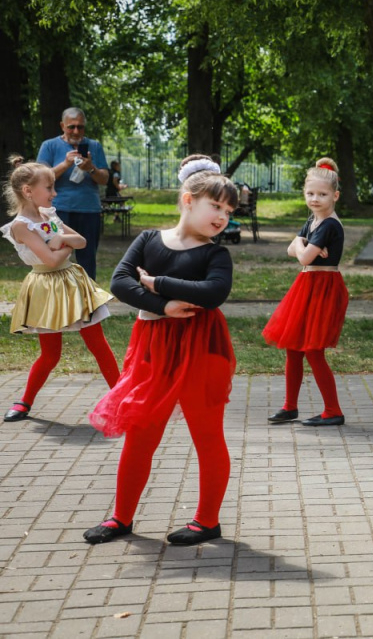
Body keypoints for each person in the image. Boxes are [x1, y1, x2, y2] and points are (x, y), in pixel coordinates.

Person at [84, 155, 238, 546]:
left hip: (200, 347)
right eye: (215, 206)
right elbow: (119, 281)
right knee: (140, 433)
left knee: (207, 435)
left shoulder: (215, 253)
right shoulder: (150, 239)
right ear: (189, 199)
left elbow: (215, 292)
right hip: (153, 347)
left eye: (228, 210)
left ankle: (207, 521)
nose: (222, 217)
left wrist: (158, 282)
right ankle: (121, 517)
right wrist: (164, 304)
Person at [1, 156, 120, 422]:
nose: (55, 193)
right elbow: (52, 260)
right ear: (28, 191)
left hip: (72, 283)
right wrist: (64, 245)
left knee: (98, 344)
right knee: (51, 354)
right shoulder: (21, 226)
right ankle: (25, 401)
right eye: (50, 188)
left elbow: (82, 240)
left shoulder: (48, 215)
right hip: (46, 287)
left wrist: (60, 238)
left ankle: (123, 399)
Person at [263, 158, 350, 427]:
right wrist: (303, 245)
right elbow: (294, 250)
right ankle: (290, 407)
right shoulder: (313, 221)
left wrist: (301, 247)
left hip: (323, 287)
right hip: (307, 286)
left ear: (334, 195)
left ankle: (333, 410)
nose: (315, 198)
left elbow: (301, 257)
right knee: (293, 348)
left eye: (322, 194)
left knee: (313, 350)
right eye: (310, 193)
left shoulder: (329, 225)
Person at [36, 108, 109, 279]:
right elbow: (40, 179)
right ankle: (57, 297)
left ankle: (88, 299)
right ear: (62, 126)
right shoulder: (49, 146)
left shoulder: (94, 146)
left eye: (80, 127)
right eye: (71, 127)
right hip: (57, 210)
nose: (76, 131)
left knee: (87, 258)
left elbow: (104, 179)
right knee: (56, 255)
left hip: (89, 210)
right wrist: (65, 164)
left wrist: (90, 168)